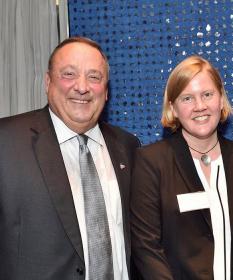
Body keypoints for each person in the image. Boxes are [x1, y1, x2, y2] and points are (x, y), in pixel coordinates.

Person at [0, 37, 140, 280]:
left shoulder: (128, 147)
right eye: (69, 74)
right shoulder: (6, 143)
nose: (82, 87)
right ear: (48, 82)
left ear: (106, 91)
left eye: (94, 77)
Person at [130, 55, 233, 279]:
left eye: (207, 94)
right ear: (173, 108)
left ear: (221, 98)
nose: (200, 106)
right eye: (187, 98)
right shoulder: (151, 162)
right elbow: (146, 247)